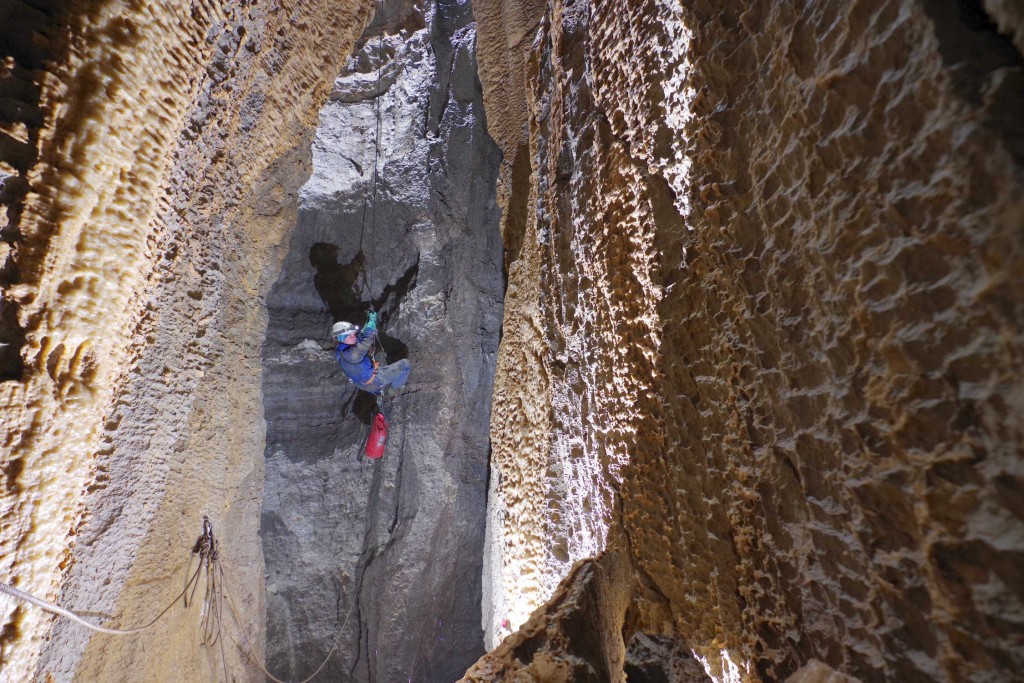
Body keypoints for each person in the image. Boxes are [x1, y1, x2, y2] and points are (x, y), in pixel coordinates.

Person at [332, 312, 411, 395]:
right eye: (349, 335)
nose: (354, 336)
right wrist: (370, 327)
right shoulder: (352, 355)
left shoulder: (340, 349)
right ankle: (395, 391)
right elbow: (363, 345)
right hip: (373, 381)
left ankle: (380, 389)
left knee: (380, 357)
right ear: (340, 338)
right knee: (406, 364)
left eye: (353, 334)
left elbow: (359, 339)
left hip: (361, 382)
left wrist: (367, 323)